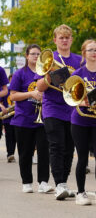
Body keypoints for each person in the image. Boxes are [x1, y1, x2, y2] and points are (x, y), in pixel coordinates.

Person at [36, 24, 82, 200]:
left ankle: (63, 182)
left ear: (71, 40)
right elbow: (40, 87)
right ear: (55, 40)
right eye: (61, 38)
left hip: (72, 110)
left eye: (67, 37)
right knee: (57, 146)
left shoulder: (78, 60)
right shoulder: (48, 59)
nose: (64, 40)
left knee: (70, 148)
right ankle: (59, 184)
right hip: (52, 108)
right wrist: (49, 75)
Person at [69, 40, 96, 206]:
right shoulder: (77, 74)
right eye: (91, 50)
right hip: (80, 120)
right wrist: (80, 103)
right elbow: (69, 98)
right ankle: (81, 193)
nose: (94, 52)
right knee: (82, 157)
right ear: (84, 53)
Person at [10, 44, 53, 194]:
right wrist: (31, 94)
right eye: (33, 54)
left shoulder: (46, 73)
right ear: (27, 56)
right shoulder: (19, 74)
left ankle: (43, 182)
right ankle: (26, 182)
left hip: (43, 118)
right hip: (23, 119)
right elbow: (13, 95)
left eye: (38, 54)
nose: (36, 56)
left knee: (44, 152)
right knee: (25, 153)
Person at [0, 74, 16, 163]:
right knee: (9, 136)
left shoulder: (20, 90)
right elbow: (0, 101)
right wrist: (2, 107)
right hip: (8, 117)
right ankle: (10, 154)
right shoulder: (6, 91)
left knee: (16, 137)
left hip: (18, 117)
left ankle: (13, 153)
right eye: (11, 79)